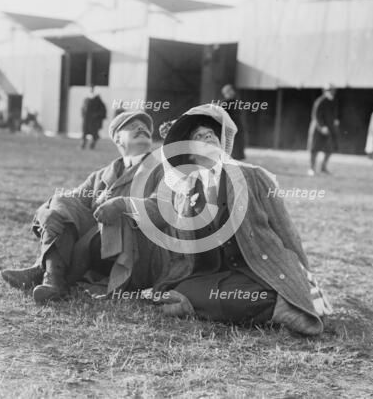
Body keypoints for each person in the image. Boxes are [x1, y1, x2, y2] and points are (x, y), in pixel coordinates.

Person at [145, 104, 332, 335]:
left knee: (233, 297)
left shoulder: (253, 176)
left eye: (211, 134)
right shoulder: (188, 189)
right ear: (190, 153)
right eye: (198, 137)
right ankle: (269, 306)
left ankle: (280, 306)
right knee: (185, 289)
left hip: (260, 270)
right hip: (221, 275)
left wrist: (306, 278)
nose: (208, 138)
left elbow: (286, 229)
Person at [1, 111, 176, 304]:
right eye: (132, 126)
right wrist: (47, 211)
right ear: (117, 138)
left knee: (93, 219)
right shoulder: (101, 175)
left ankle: (44, 270)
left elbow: (163, 210)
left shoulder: (162, 168)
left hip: (137, 255)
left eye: (145, 128)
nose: (141, 128)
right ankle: (53, 278)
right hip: (97, 253)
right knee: (60, 203)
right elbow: (66, 206)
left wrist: (121, 204)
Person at [308, 84, 339, 176]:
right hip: (318, 129)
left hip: (328, 130)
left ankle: (323, 167)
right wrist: (321, 127)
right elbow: (315, 116)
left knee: (329, 149)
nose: (332, 92)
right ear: (325, 91)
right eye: (330, 90)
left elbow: (333, 114)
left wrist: (335, 121)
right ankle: (311, 168)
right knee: (314, 150)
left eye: (333, 90)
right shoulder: (320, 101)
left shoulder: (332, 102)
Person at [220, 84, 245, 160]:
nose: (232, 92)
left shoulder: (236, 102)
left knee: (238, 149)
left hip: (238, 128)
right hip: (230, 129)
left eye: (232, 90)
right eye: (229, 90)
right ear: (226, 93)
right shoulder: (224, 103)